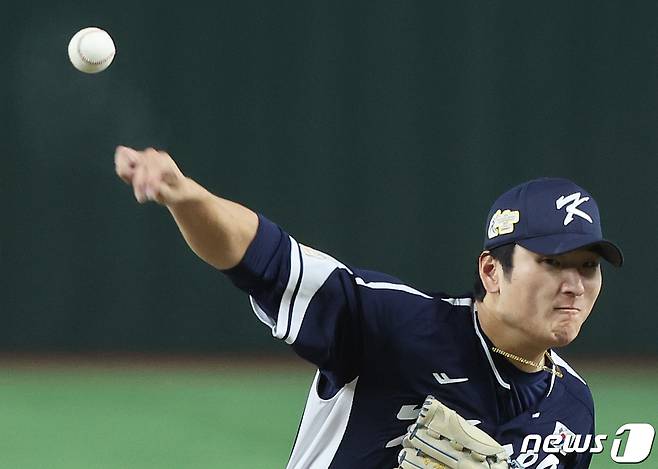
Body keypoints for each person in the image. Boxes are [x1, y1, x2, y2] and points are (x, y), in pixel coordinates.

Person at [114, 145, 622, 469]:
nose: (574, 284)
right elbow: (264, 259)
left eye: (587, 267)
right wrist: (186, 197)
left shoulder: (571, 410)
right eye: (554, 263)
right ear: (492, 271)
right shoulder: (395, 325)